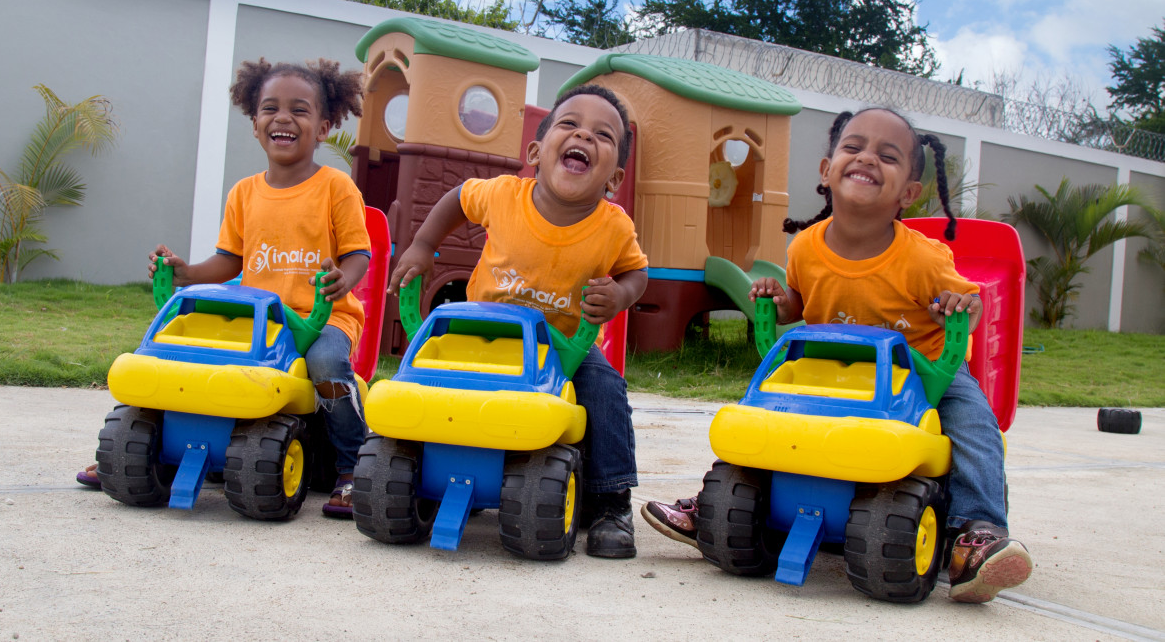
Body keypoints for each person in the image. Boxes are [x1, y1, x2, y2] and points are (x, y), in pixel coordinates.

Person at [641, 108, 1033, 602]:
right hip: (829, 369)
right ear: (827, 170)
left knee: (974, 424)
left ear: (908, 192)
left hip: (921, 372)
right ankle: (723, 502)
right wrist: (779, 302)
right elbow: (800, 305)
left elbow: (970, 307)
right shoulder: (806, 247)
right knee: (763, 415)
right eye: (854, 147)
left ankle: (976, 532)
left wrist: (958, 306)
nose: (867, 158)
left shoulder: (923, 257)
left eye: (887, 156)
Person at [79, 57, 372, 519]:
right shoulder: (244, 193)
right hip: (258, 318)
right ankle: (134, 447)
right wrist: (184, 272)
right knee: (174, 347)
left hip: (321, 318)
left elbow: (359, 254)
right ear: (254, 124)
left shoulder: (336, 187)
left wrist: (343, 281)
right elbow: (229, 262)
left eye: (299, 110)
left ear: (323, 126)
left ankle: (353, 466)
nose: (283, 118)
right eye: (270, 108)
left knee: (326, 364)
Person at [388, 84, 649, 558]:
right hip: (479, 332)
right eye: (569, 124)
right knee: (426, 383)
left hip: (561, 344)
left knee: (604, 387)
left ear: (614, 178)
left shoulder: (614, 226)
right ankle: (416, 464)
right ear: (535, 152)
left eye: (602, 135)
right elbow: (457, 199)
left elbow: (637, 273)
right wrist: (423, 245)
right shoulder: (503, 194)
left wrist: (620, 295)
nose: (584, 136)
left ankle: (611, 501)